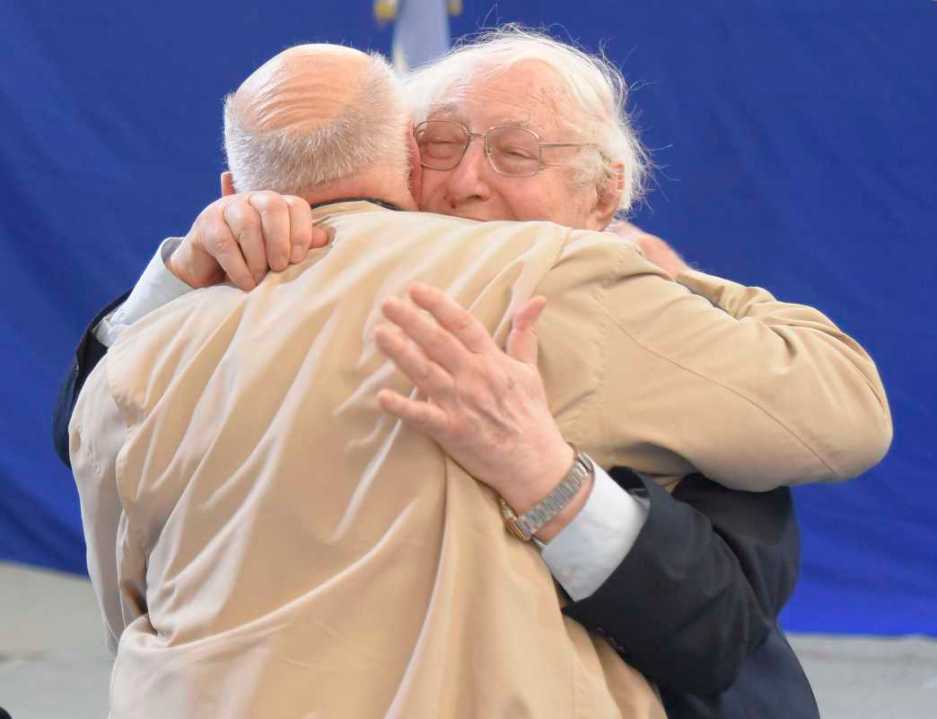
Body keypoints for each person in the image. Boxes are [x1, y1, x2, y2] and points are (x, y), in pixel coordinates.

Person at [59, 31, 892, 718]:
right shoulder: (230, 290)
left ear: (603, 198)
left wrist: (555, 482)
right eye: (441, 144)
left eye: (516, 154)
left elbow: (717, 630)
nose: (465, 182)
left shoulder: (616, 312)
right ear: (397, 157)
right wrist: (191, 270)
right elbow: (103, 441)